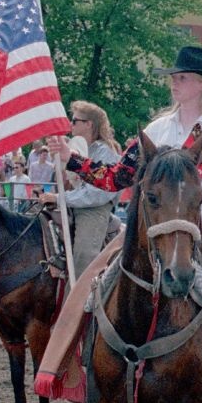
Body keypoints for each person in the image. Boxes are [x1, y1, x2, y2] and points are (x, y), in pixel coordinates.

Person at [58, 45, 202, 403]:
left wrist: (183, 219)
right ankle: (77, 370)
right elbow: (118, 177)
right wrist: (70, 159)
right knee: (92, 280)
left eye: (182, 77)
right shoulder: (156, 130)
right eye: (174, 77)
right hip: (153, 224)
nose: (174, 82)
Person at [57, 100, 121, 277]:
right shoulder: (77, 149)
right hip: (75, 201)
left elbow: (97, 194)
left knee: (83, 260)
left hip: (94, 209)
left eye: (75, 120)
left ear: (89, 124)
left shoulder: (106, 151)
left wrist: (59, 198)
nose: (71, 124)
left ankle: (78, 301)